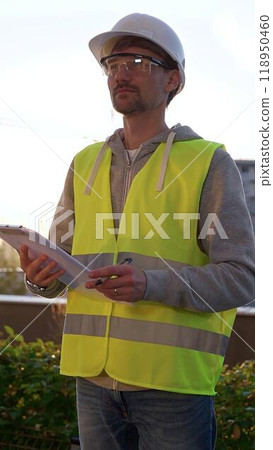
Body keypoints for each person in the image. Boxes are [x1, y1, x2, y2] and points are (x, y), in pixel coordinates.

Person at [20, 13, 255, 450]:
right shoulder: (84, 162)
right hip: (92, 384)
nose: (121, 73)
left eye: (140, 61)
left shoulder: (208, 162)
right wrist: (39, 275)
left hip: (173, 390)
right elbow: (60, 268)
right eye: (113, 64)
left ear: (173, 80)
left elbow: (242, 277)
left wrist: (151, 283)